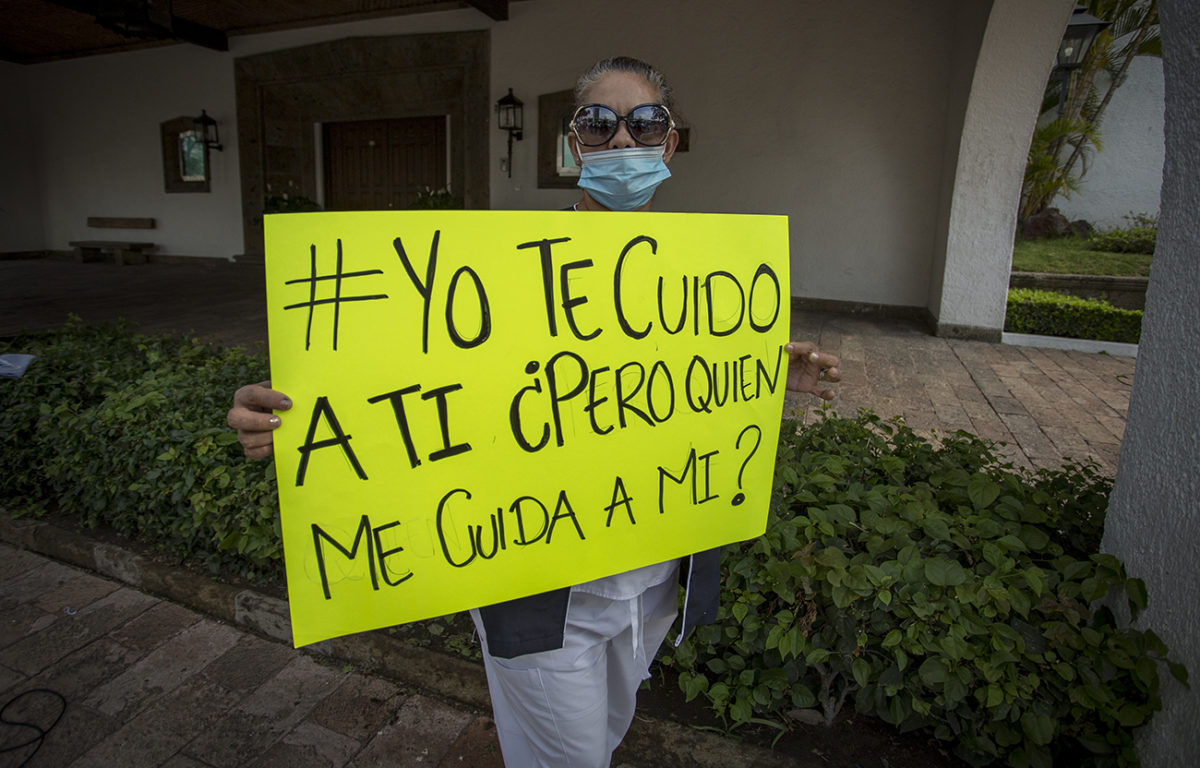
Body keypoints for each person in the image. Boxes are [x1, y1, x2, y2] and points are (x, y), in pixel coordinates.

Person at [228, 56, 842, 768]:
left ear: (669, 143)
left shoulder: (709, 282)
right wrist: (297, 416)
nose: (622, 139)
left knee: (603, 737)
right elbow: (407, 376)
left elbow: (679, 394)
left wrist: (765, 376)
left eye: (644, 123)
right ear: (576, 143)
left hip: (651, 588)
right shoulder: (504, 268)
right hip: (542, 593)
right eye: (598, 123)